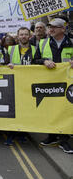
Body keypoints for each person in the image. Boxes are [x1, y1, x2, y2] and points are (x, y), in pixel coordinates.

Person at [32, 18, 73, 154]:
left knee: (65, 110)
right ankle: (52, 136)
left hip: (67, 84)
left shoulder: (71, 42)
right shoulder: (43, 43)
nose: (51, 29)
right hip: (50, 83)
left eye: (55, 27)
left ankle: (64, 139)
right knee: (50, 110)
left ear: (63, 29)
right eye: (49, 26)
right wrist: (44, 61)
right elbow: (35, 60)